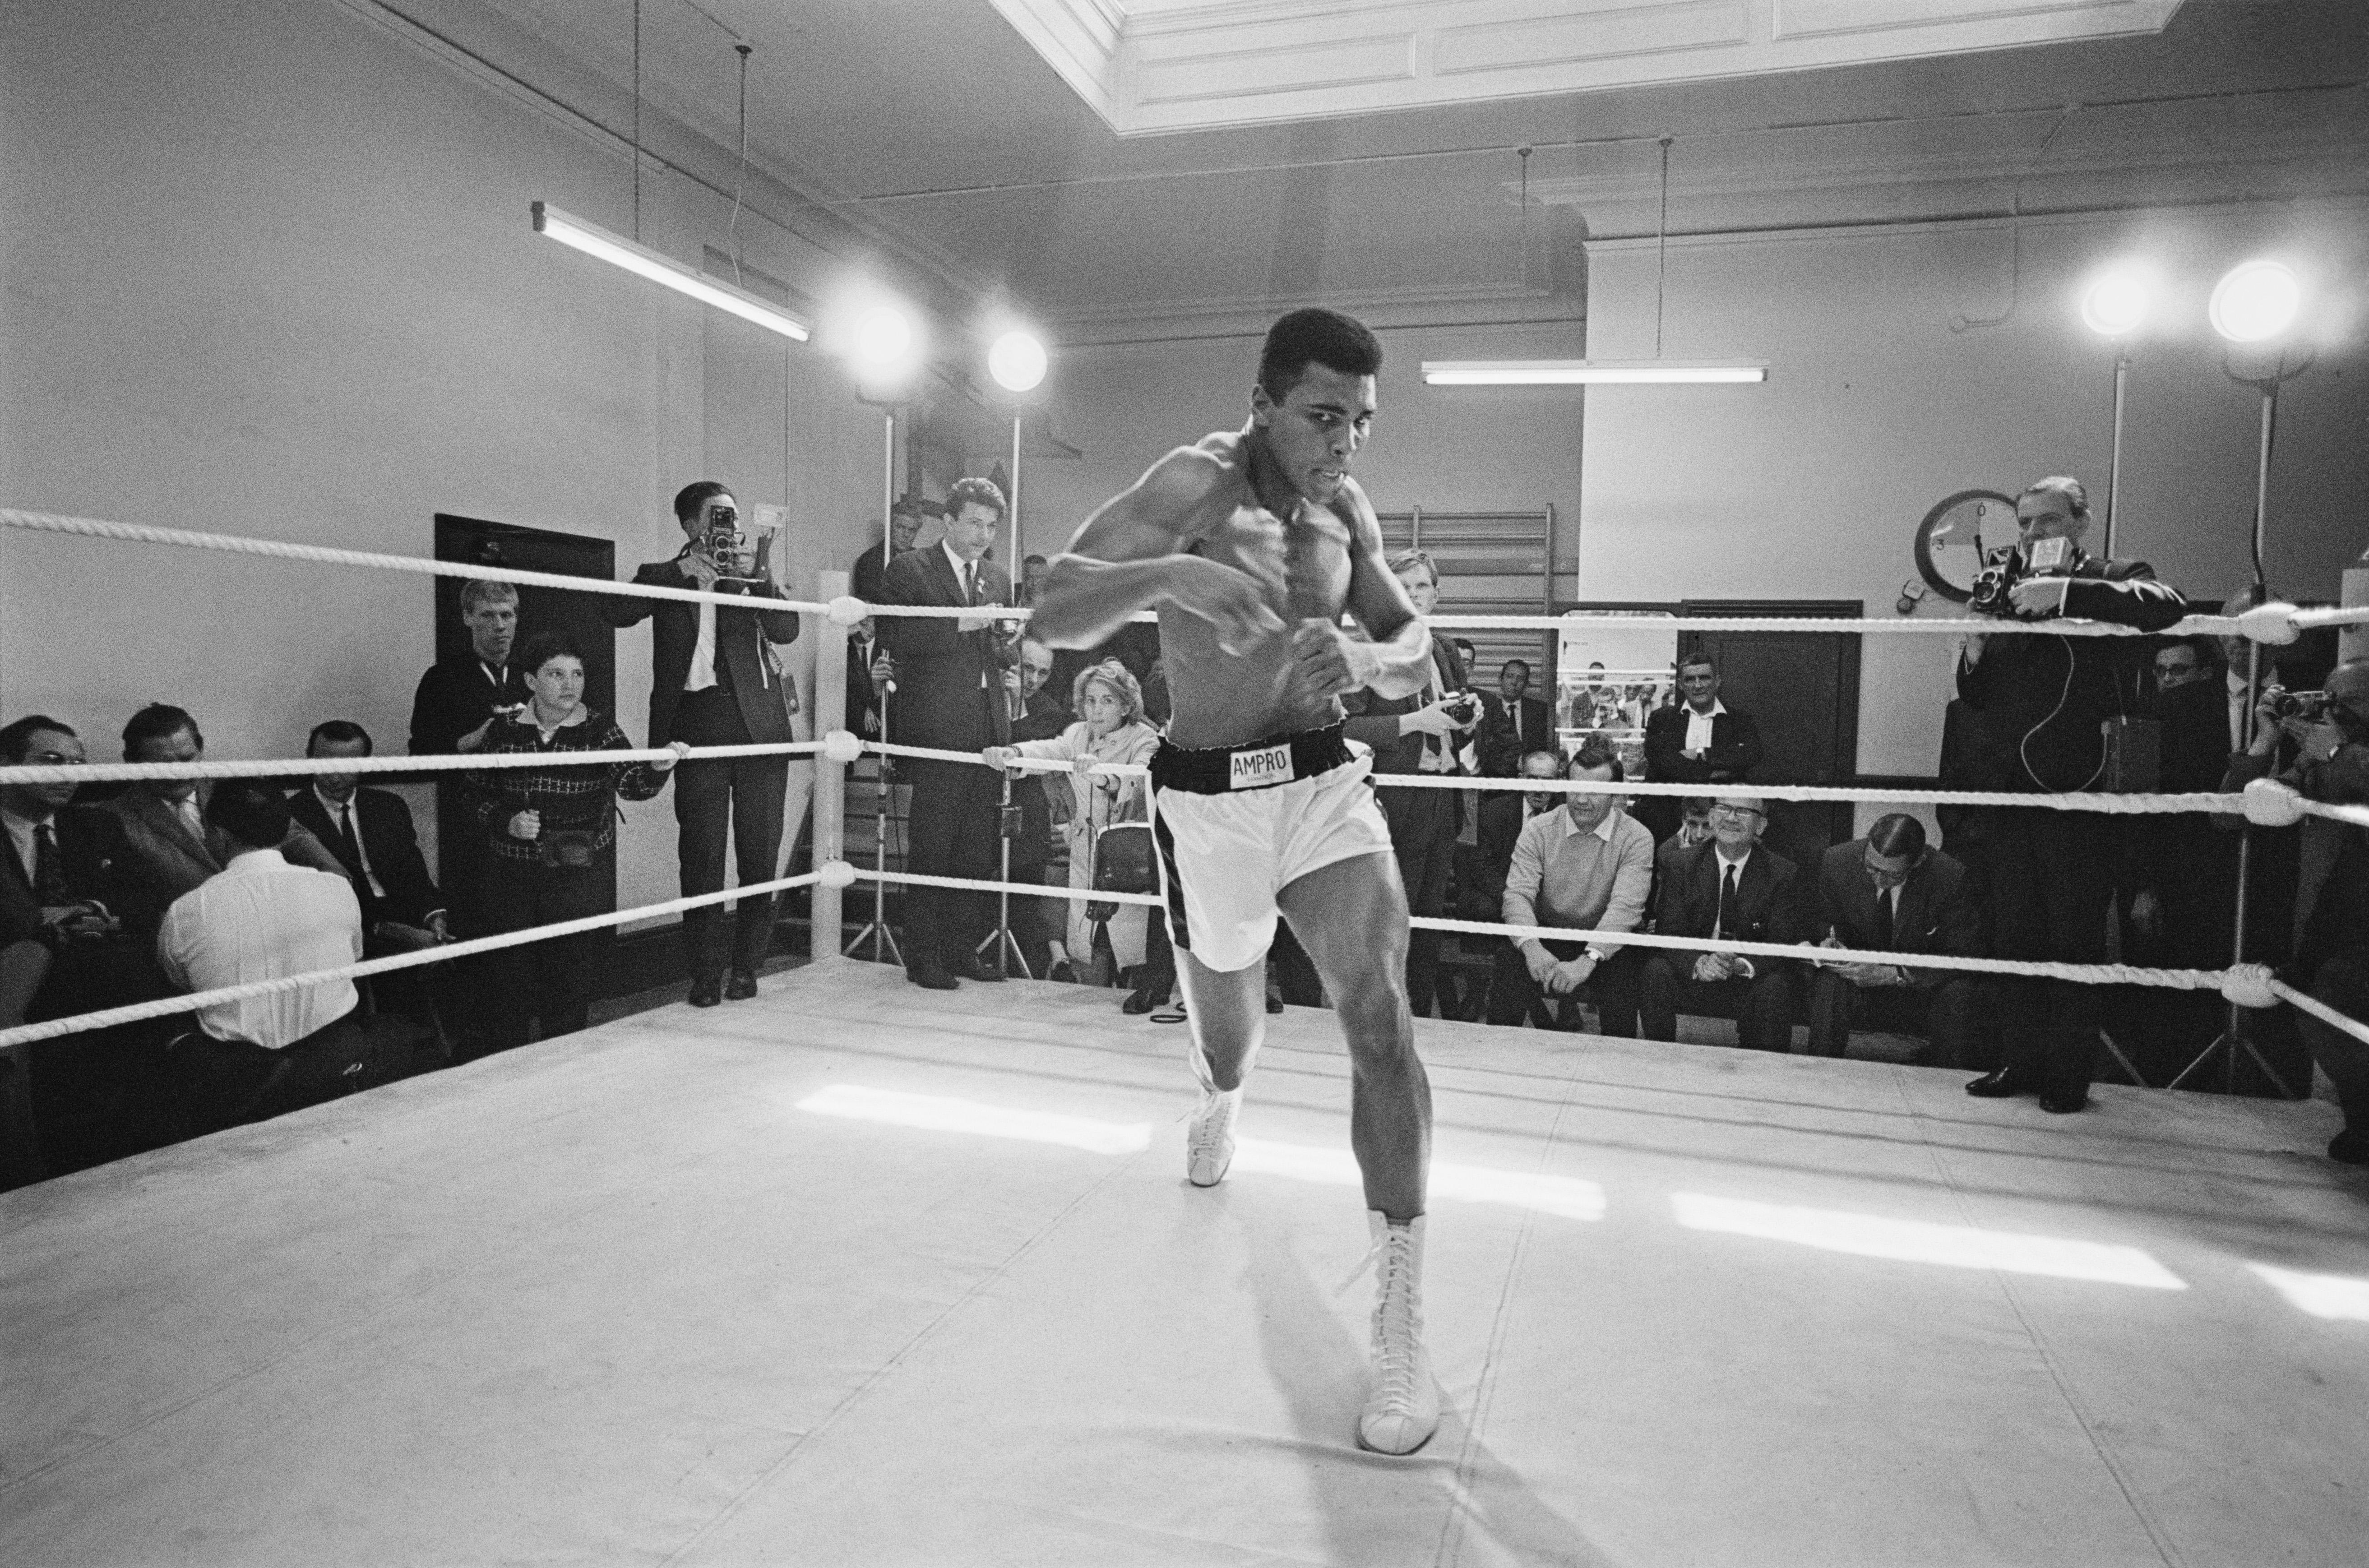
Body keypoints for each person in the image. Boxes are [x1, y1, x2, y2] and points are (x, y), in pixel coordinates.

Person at [1027, 306, 1442, 1455]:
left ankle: (1400, 1314)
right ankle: (1217, 1099)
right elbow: (1051, 610)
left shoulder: (1346, 509)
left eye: (1360, 423)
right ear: (1262, 403)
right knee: (1231, 1026)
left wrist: (1366, 656)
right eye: (1322, 418)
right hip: (1207, 800)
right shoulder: (1197, 481)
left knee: (1379, 1014)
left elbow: (1417, 651)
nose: (1343, 444)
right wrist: (1175, 577)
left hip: (1319, 783)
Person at [1957, 476, 2187, 1113]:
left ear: (2080, 523)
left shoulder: (2114, 572)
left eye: (2047, 522)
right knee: (2015, 937)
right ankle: (2019, 1060)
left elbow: (2164, 602)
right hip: (2010, 791)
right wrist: (1973, 650)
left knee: (2071, 939)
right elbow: (1978, 699)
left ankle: (2066, 1074)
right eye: (2025, 523)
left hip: (2079, 790)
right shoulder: (2002, 582)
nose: (2032, 535)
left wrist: (2065, 591)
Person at [606, 481, 801, 1006]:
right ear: (691, 525)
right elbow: (615, 612)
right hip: (694, 729)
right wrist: (677, 574)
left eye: (733, 517)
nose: (728, 528)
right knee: (701, 859)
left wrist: (761, 574)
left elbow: (787, 631)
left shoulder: (749, 572)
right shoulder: (662, 576)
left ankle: (747, 968)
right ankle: (704, 975)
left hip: (759, 732)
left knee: (759, 858)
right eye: (718, 517)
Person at [463, 633, 685, 1050]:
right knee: (509, 971)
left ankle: (561, 1059)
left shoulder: (599, 729)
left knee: (569, 970)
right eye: (556, 674)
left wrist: (659, 765)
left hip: (575, 869)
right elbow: (474, 792)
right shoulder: (505, 730)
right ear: (531, 680)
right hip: (511, 870)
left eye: (578, 674)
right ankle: (504, 1064)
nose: (570, 684)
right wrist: (504, 821)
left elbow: (633, 786)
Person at [156, 778, 370, 1131]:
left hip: (239, 1080)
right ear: (287, 830)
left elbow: (180, 982)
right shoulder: (337, 887)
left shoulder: (187, 910)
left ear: (218, 834)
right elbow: (354, 960)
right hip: (333, 1064)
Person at [875, 476, 1021, 990]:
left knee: (976, 848)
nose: (983, 534)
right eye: (975, 523)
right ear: (950, 521)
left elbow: (998, 647)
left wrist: (1009, 645)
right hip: (937, 727)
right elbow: (892, 631)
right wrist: (960, 623)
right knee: (933, 845)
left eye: (991, 526)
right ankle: (924, 956)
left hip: (987, 726)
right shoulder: (909, 569)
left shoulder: (999, 579)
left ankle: (962, 949)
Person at [1, 716, 156, 1187]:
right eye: (51, 760)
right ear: (6, 765)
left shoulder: (96, 824)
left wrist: (92, 909)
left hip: (95, 986)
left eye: (77, 763)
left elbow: (143, 901)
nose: (68, 773)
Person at [2232, 658, 2369, 1160]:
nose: (2335, 711)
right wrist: (2265, 743)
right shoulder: (2328, 756)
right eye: (2327, 699)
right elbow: (2234, 814)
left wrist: (2335, 748)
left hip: (2353, 913)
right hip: (2344, 913)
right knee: (2314, 1006)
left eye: (2348, 701)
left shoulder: (2343, 751)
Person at [1342, 548, 1478, 1020]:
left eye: (1421, 586)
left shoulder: (1442, 648)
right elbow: (1341, 730)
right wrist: (1412, 721)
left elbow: (1453, 724)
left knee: (1429, 917)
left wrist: (1468, 719)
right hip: (1391, 799)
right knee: (1387, 918)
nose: (1414, 595)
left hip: (1442, 797)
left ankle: (1417, 1015)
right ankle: (1379, 1015)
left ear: (1436, 595)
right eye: (1404, 587)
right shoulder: (1367, 649)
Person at [984, 660, 1166, 1008]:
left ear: (1127, 705)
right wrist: (1015, 754)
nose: (1096, 710)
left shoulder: (1145, 738)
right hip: (1085, 859)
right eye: (1091, 700)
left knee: (1132, 955)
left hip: (1128, 859)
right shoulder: (1077, 733)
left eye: (1107, 701)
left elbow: (1140, 778)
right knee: (1089, 974)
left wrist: (1104, 776)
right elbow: (1051, 750)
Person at [98, 704, 343, 928]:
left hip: (273, 921)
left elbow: (294, 836)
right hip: (191, 937)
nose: (178, 773)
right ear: (131, 762)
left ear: (201, 749)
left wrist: (337, 883)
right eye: (162, 763)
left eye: (187, 758)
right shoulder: (112, 819)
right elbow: (129, 904)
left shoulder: (234, 789)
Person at [1489, 741, 1653, 1035]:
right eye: (1575, 788)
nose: (1582, 799)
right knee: (1510, 957)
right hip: (1548, 932)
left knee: (1625, 968)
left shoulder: (1637, 837)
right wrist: (1531, 946)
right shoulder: (1539, 829)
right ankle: (1497, 1055)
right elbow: (1517, 895)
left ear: (1616, 793)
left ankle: (1616, 1066)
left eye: (1595, 791)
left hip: (1604, 939)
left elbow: (1625, 909)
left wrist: (1590, 958)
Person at [1806, 814, 1984, 1064]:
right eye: (1871, 867)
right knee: (1829, 982)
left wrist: (1895, 974)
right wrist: (1833, 943)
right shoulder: (1838, 860)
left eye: (1892, 875)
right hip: (1858, 975)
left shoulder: (1950, 876)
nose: (1878, 879)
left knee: (1960, 992)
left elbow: (1963, 952)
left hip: (1919, 984)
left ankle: (1945, 1080)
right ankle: (1819, 1067)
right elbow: (1824, 920)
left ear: (1918, 862)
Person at [1638, 796, 1809, 1051]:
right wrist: (1699, 962)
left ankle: (1766, 1071)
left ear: (1761, 826)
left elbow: (1781, 940)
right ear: (1712, 816)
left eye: (1742, 811)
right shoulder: (1680, 864)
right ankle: (1657, 1056)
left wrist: (1740, 964)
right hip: (1697, 967)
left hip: (1747, 972)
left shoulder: (1782, 873)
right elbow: (1669, 931)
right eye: (1724, 809)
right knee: (1655, 971)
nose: (1731, 818)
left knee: (1777, 986)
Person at [999, 638, 1070, 978]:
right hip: (984, 810)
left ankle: (1030, 968)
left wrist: (1017, 705)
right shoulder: (987, 691)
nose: (1034, 679)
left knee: (1027, 898)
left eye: (1044, 672)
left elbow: (1025, 751)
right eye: (1029, 668)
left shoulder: (1051, 711)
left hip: (1028, 814)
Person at [1639, 653, 1761, 843]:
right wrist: (1717, 770)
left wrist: (1701, 753)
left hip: (1723, 824)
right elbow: (1663, 764)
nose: (1698, 685)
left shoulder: (1739, 720)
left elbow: (1750, 756)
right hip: (1667, 823)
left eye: (1704, 678)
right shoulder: (1661, 719)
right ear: (1680, 684)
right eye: (1690, 679)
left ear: (1717, 681)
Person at [1479, 659, 1552, 777]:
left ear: (1526, 684)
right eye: (1510, 676)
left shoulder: (1539, 710)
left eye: (1521, 678)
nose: (1514, 682)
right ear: (1500, 680)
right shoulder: (1487, 710)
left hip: (1530, 776)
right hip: (1496, 778)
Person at [851, 495, 928, 604]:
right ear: (890, 527)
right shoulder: (870, 560)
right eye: (901, 527)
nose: (906, 535)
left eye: (912, 530)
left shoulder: (922, 562)